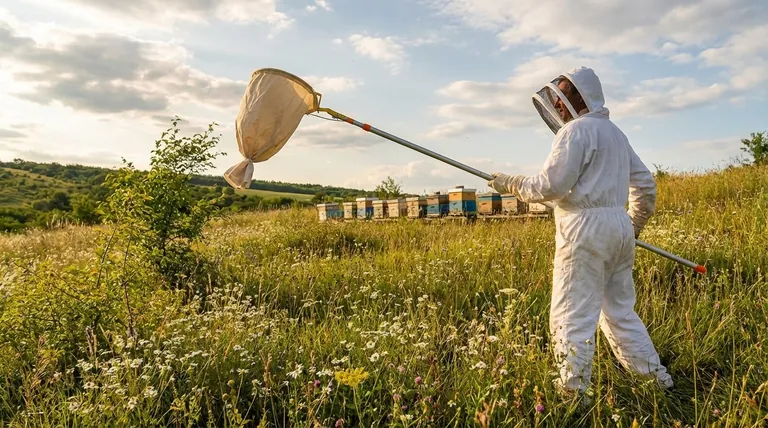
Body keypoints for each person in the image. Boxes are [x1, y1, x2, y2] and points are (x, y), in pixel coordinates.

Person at [487, 66, 674, 400]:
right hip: (618, 228)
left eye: (565, 94)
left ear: (582, 95)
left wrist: (511, 184)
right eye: (556, 96)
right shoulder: (616, 134)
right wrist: (632, 226)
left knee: (572, 313)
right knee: (618, 311)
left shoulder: (575, 132)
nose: (558, 103)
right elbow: (645, 186)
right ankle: (654, 381)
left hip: (585, 231)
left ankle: (573, 395)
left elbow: (550, 185)